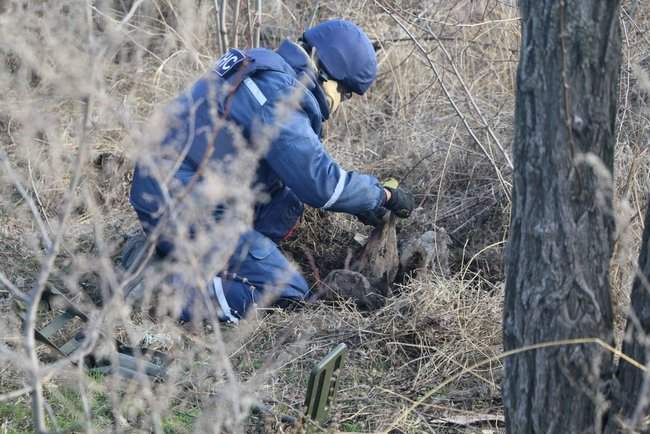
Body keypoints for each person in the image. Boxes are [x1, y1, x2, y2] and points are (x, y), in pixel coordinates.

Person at [128, 19, 415, 322]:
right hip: (182, 204)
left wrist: (359, 202)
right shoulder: (279, 95)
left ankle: (184, 257)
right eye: (344, 93)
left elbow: (295, 172)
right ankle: (156, 288)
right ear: (326, 72)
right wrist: (380, 196)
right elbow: (320, 184)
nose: (340, 103)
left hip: (174, 188)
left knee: (286, 201)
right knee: (286, 292)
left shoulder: (265, 68)